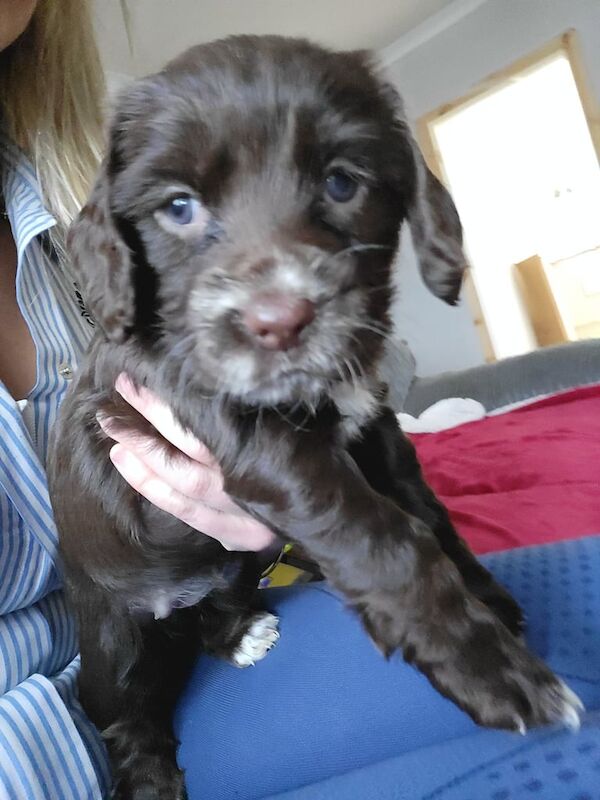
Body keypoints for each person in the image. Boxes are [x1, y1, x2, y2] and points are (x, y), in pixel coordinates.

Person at [1, 3, 599, 799]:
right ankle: (136, 747)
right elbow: (288, 473)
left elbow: (382, 456)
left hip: (240, 587)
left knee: (575, 630)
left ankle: (224, 619)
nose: (279, 296)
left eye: (341, 183)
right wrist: (437, 618)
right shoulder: (134, 251)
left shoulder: (50, 191)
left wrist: (473, 589)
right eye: (183, 209)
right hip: (63, 713)